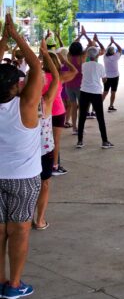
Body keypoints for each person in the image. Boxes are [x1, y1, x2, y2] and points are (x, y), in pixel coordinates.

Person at [0, 14, 43, 299]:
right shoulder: (26, 106)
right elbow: (38, 66)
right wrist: (15, 35)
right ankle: (14, 285)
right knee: (20, 230)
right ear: (17, 85)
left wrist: (4, 39)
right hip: (24, 180)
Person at [33, 40, 59, 232]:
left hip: (24, 149)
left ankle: (22, 218)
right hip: (44, 148)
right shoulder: (45, 101)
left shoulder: (17, 102)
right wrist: (46, 55)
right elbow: (56, 78)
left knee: (26, 185)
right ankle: (39, 219)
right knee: (44, 184)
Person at [42, 49, 77, 177]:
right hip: (57, 111)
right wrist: (65, 61)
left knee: (40, 138)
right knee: (55, 140)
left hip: (43, 111)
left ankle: (41, 163)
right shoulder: (60, 76)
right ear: (56, 62)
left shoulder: (39, 76)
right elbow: (75, 71)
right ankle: (54, 166)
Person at [77, 46, 113, 149]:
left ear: (88, 55)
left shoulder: (84, 65)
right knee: (100, 117)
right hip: (96, 93)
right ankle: (105, 141)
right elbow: (104, 80)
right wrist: (104, 79)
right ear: (97, 55)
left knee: (82, 116)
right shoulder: (100, 66)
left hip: (84, 92)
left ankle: (80, 141)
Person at [101, 36, 122, 111]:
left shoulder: (105, 57)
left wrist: (110, 42)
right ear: (113, 52)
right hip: (115, 77)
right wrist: (114, 42)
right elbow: (120, 49)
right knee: (113, 92)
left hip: (107, 77)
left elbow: (106, 49)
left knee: (105, 92)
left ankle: (97, 106)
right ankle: (111, 106)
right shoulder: (116, 56)